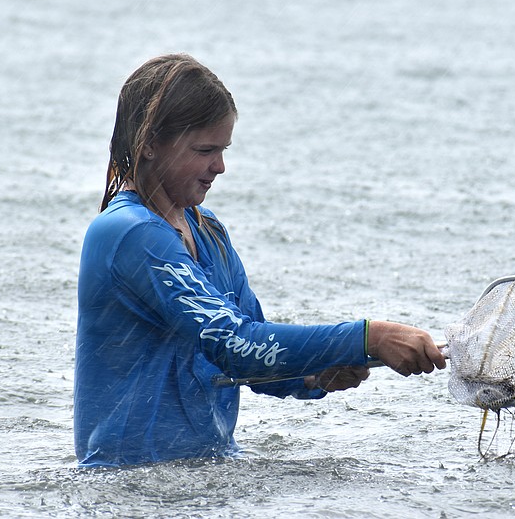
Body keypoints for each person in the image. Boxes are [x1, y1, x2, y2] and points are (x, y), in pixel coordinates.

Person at [74, 53, 446, 467]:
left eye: (223, 149)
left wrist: (313, 374)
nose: (220, 166)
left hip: (208, 472)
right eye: (205, 150)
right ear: (147, 146)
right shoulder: (130, 232)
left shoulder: (207, 230)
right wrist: (368, 337)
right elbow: (236, 344)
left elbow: (254, 350)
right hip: (129, 480)